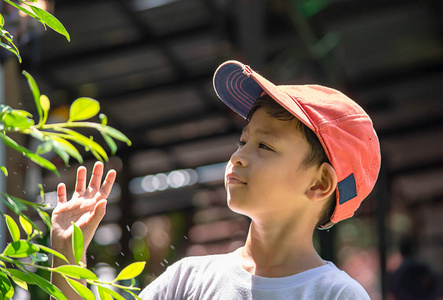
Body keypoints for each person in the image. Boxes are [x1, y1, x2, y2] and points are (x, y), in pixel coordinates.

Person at [51, 60, 381, 299]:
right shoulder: (188, 280)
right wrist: (67, 255)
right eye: (243, 141)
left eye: (264, 145)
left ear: (319, 184)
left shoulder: (336, 295)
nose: (238, 156)